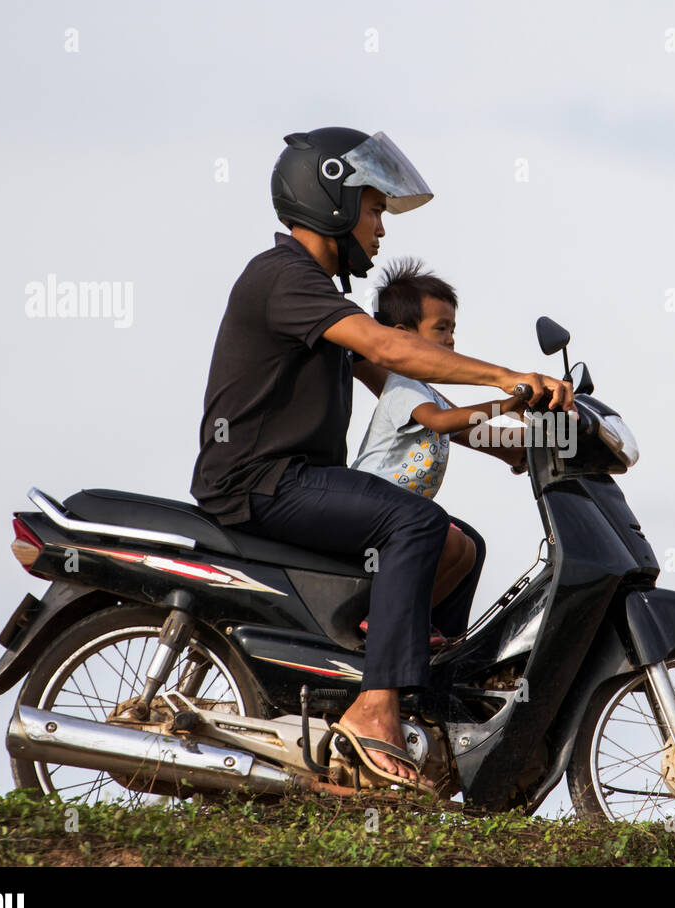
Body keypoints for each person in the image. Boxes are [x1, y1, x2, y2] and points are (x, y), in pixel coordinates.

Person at [189, 127, 573, 789]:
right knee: (416, 525)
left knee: (461, 540)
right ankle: (375, 708)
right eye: (372, 209)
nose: (380, 229)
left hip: (299, 481)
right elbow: (395, 351)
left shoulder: (316, 298)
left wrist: (519, 443)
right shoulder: (281, 278)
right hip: (258, 481)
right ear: (329, 202)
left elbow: (408, 395)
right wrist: (507, 379)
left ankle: (424, 698)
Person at [350, 257, 531, 650]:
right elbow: (443, 421)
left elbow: (457, 422)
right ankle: (385, 621)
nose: (451, 340)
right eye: (441, 329)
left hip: (403, 512)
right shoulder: (403, 384)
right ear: (403, 335)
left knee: (464, 549)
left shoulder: (424, 387)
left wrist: (527, 443)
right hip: (371, 503)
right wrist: (505, 405)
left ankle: (416, 624)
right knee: (449, 541)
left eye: (453, 330)